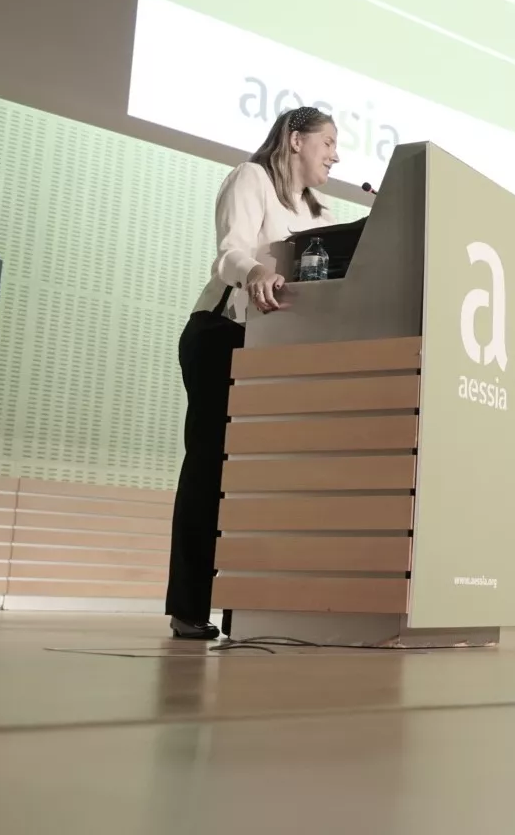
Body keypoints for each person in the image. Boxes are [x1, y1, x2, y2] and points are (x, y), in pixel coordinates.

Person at [166, 106, 339, 639]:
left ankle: (250, 609)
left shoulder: (322, 216)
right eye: (328, 142)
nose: (335, 155)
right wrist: (257, 268)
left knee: (266, 479)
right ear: (295, 139)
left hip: (279, 350)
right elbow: (229, 255)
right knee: (211, 467)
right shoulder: (252, 178)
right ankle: (190, 608)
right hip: (222, 334)